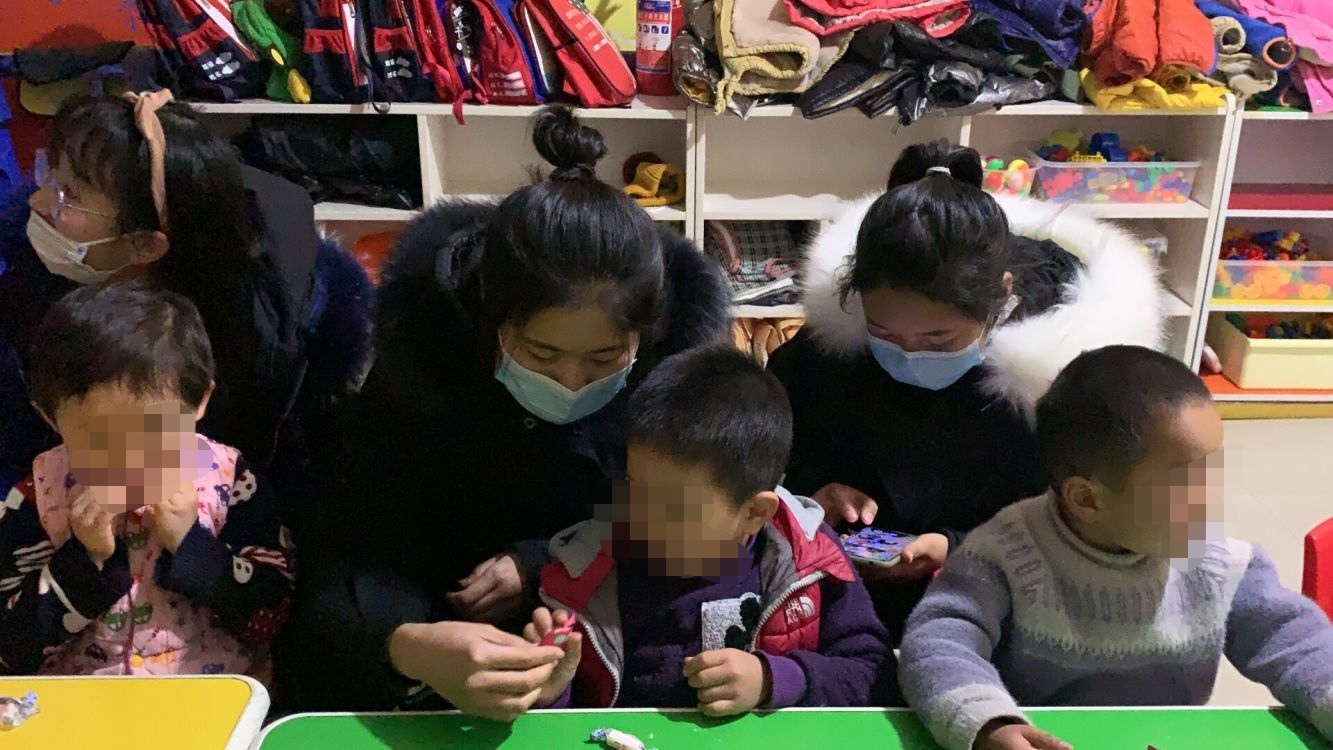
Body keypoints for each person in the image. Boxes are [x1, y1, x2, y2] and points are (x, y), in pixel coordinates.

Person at [285, 105, 731, 714]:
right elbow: (352, 543)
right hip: (436, 647)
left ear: (645, 335)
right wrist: (404, 646)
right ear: (490, 315)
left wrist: (548, 558)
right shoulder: (422, 362)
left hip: (613, 654)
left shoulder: (674, 378)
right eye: (541, 354)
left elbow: (692, 523)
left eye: (604, 357)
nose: (570, 383)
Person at [767, 141, 1164, 641]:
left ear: (1002, 295)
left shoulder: (1059, 383)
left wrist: (957, 546)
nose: (909, 352)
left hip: (997, 600)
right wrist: (813, 495)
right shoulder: (830, 346)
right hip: (846, 585)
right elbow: (782, 439)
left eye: (939, 339)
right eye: (884, 332)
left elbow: (1072, 527)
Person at [898, 345, 1333, 750]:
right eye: (1186, 485)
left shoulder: (1220, 562)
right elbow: (938, 641)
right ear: (1087, 499)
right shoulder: (1003, 555)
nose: (1211, 500)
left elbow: (1299, 643)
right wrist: (990, 724)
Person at [0, 91, 372, 511]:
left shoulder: (261, 343)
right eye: (48, 175)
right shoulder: (27, 287)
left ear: (145, 245)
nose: (37, 202)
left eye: (68, 194)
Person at [526, 344, 895, 713]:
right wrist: (549, 693)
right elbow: (571, 716)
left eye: (676, 510)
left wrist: (773, 679)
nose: (643, 520)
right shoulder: (588, 572)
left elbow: (873, 674)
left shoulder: (811, 561)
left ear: (755, 512)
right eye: (635, 489)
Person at [0, 282, 294, 677]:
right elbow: (11, 647)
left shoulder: (230, 483)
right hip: (81, 701)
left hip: (212, 697)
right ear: (51, 418)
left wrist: (192, 545)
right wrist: (85, 560)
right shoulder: (40, 496)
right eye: (100, 440)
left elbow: (270, 617)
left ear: (199, 402)